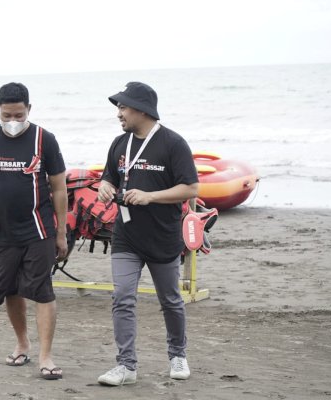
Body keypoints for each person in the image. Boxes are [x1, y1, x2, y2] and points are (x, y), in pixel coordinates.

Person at [0, 82, 68, 380]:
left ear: (29, 110)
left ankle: (46, 356)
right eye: (6, 115)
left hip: (39, 229)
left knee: (42, 290)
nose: (12, 121)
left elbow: (59, 189)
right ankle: (22, 343)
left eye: (18, 115)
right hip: (2, 233)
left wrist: (61, 233)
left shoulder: (44, 140)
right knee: (9, 288)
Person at [96, 82, 199, 386]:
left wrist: (151, 196)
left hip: (163, 236)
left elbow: (191, 188)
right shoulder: (119, 143)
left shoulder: (172, 143)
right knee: (123, 297)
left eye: (123, 107)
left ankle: (177, 354)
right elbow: (110, 178)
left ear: (141, 109)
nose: (119, 113)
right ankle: (126, 365)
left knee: (170, 300)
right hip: (126, 235)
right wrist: (106, 187)